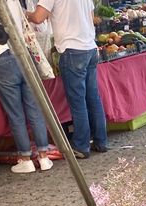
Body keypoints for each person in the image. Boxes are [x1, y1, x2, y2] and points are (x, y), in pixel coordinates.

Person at [0, 0, 54, 173]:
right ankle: (44, 157)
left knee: (16, 114)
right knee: (34, 108)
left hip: (2, 61)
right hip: (24, 55)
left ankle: (26, 159)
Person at [27, 0, 107, 159]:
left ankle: (81, 146)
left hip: (72, 50)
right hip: (90, 48)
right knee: (93, 97)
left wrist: (24, 14)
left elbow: (37, 18)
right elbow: (90, 17)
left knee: (78, 102)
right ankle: (101, 141)